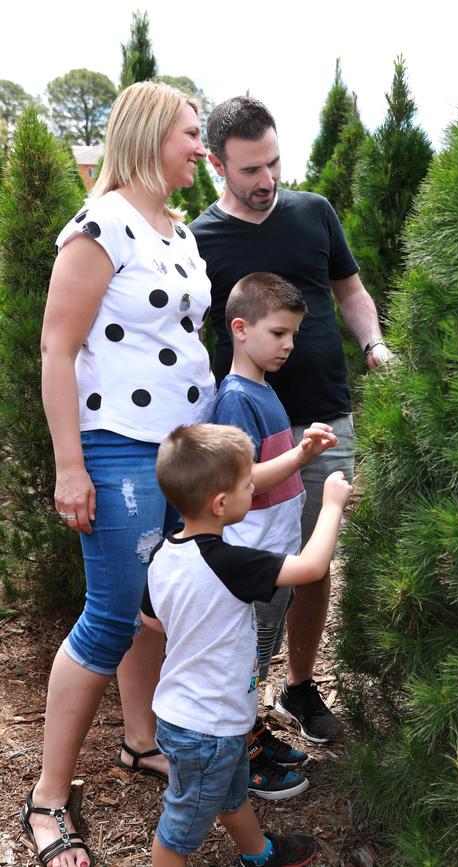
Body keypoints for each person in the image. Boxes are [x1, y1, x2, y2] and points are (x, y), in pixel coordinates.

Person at [20, 81, 216, 867]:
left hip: (178, 448)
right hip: (118, 445)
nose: (202, 147)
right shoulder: (100, 224)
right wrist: (71, 465)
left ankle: (139, 742)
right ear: (148, 136)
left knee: (154, 600)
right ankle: (46, 797)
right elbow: (56, 350)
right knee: (110, 614)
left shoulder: (176, 226)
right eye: (192, 134)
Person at [190, 96, 393, 743]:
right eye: (250, 169)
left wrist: (374, 344)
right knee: (249, 576)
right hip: (245, 435)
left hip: (325, 418)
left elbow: (351, 293)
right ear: (218, 164)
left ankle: (299, 689)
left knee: (313, 563)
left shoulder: (314, 213)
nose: (267, 180)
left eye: (274, 163)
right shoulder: (200, 239)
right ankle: (236, 712)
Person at [141, 422, 352, 867]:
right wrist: (331, 503)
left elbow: (149, 619)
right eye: (248, 484)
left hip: (194, 716)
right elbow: (312, 567)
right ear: (222, 504)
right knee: (178, 831)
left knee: (231, 792)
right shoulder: (228, 563)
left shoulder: (164, 554)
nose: (253, 486)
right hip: (208, 728)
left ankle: (259, 854)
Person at [215, 271, 340, 799]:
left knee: (258, 656)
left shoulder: (263, 388)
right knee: (246, 659)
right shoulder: (235, 399)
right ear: (241, 329)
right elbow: (240, 481)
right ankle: (239, 758)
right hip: (254, 557)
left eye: (293, 334)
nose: (289, 345)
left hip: (275, 550)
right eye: (278, 333)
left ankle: (253, 732)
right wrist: (303, 455)